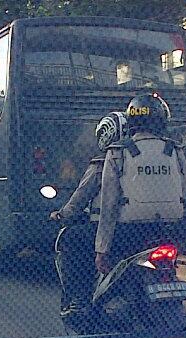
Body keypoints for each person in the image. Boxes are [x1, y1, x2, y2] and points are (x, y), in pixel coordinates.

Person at [94, 93, 186, 275]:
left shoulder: (118, 152)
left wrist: (101, 250)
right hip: (168, 227)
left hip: (129, 231)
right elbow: (184, 190)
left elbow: (109, 204)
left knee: (116, 269)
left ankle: (84, 301)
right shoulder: (175, 150)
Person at [50, 111, 128, 317]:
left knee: (72, 239)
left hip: (112, 230)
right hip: (147, 228)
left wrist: (62, 214)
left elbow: (81, 196)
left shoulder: (103, 162)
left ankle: (79, 299)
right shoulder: (144, 157)